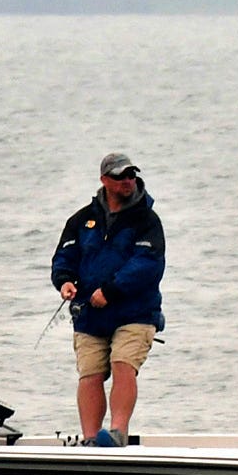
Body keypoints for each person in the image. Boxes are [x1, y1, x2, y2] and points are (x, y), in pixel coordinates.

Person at [51, 151, 165, 446]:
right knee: (90, 373)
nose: (127, 181)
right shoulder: (81, 220)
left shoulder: (147, 220)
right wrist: (64, 282)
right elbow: (64, 256)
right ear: (104, 180)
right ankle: (91, 439)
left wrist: (110, 291)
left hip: (136, 313)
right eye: (120, 176)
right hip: (89, 315)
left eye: (131, 176)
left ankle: (116, 432)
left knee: (122, 363)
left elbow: (148, 264)